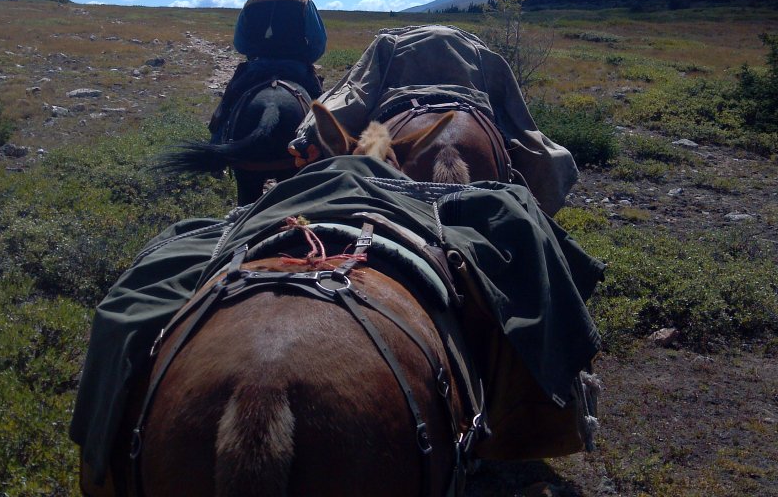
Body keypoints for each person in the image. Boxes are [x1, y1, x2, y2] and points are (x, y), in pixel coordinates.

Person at [69, 154, 604, 486]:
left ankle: (99, 461)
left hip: (288, 203)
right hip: (383, 203)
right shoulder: (314, 15)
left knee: (129, 303)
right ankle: (538, 411)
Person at [288, 24, 578, 215]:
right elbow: (508, 98)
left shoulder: (388, 44)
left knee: (345, 122)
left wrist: (313, 130)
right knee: (522, 135)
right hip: (470, 98)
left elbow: (357, 89)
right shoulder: (478, 51)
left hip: (399, 101)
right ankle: (542, 214)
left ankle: (310, 150)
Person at [208, 0, 326, 141]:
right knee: (324, 110)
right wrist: (305, 58)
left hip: (258, 66)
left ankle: (216, 152)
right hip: (295, 66)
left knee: (227, 106)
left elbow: (240, 43)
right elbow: (318, 41)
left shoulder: (251, 2)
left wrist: (256, 53)